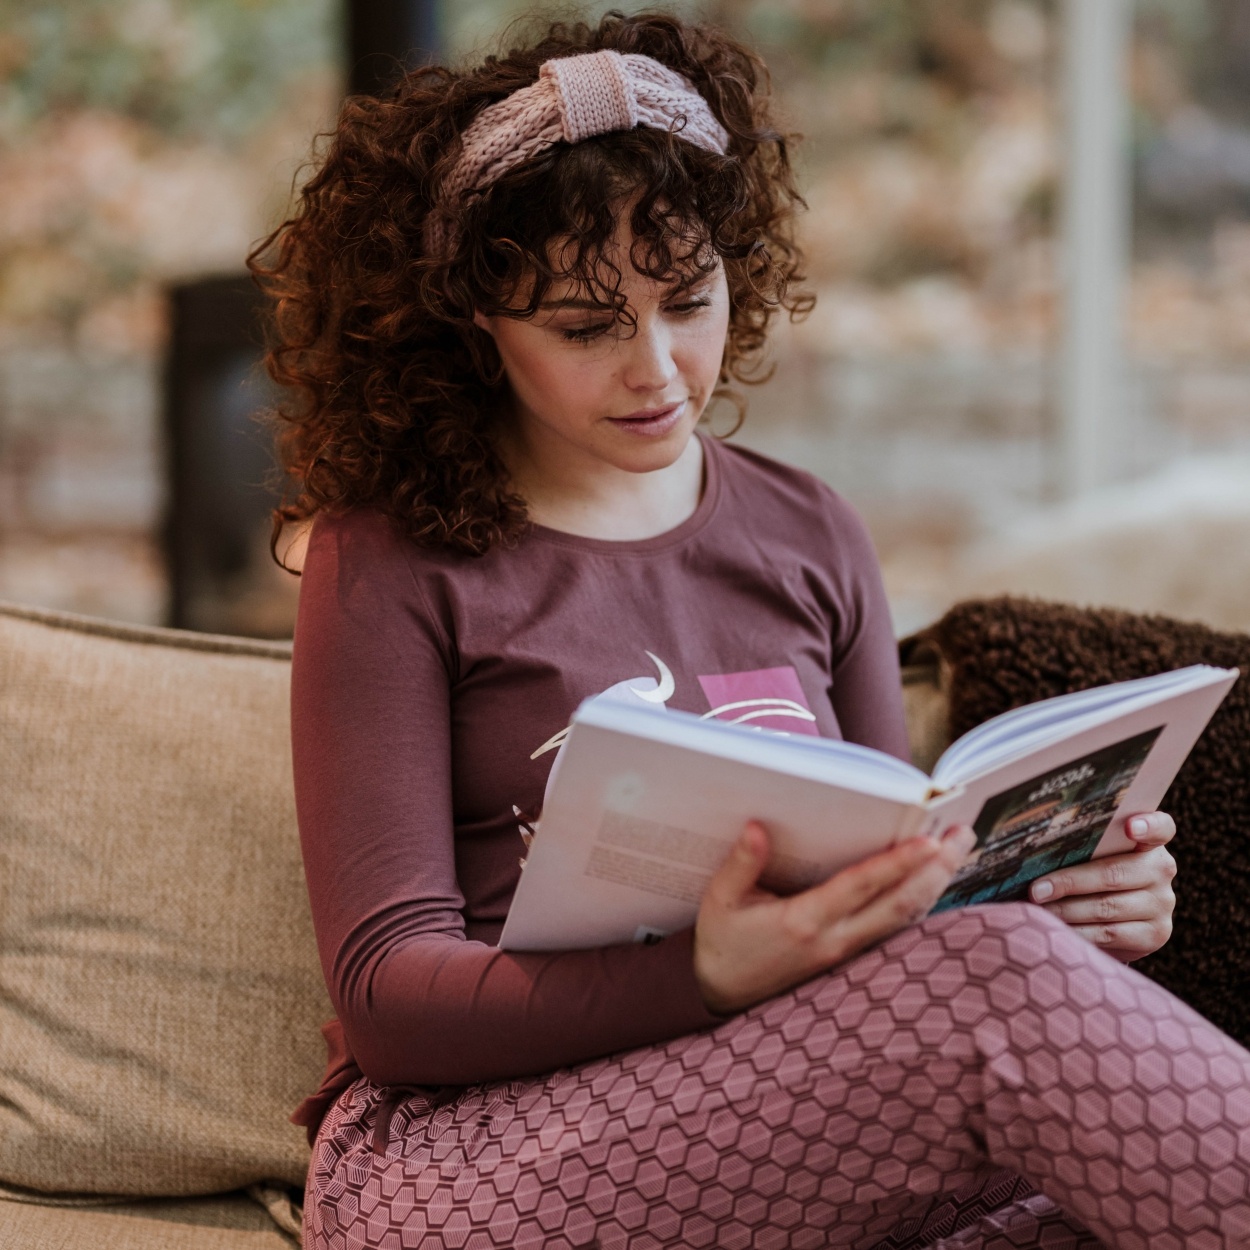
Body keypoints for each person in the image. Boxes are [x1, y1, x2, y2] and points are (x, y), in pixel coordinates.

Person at [249, 13, 1250, 1249]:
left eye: (687, 299)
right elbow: (389, 997)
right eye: (583, 326)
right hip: (470, 1151)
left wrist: (1068, 903)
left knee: (1092, 1189)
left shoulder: (807, 528)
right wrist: (709, 970)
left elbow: (900, 896)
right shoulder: (389, 558)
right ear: (471, 323)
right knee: (1007, 996)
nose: (657, 368)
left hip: (790, 1113)